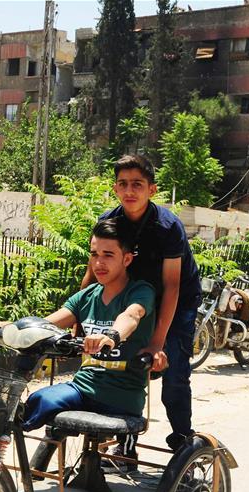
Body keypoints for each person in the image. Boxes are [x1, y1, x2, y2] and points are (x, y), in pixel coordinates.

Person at [0, 219, 155, 439]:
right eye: (94, 254)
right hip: (81, 389)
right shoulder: (87, 296)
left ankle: (122, 451)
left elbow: (132, 315)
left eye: (108, 255)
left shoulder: (140, 291)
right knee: (37, 402)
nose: (99, 263)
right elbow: (44, 325)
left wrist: (111, 335)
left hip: (121, 397)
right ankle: (2, 462)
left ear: (127, 259)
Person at [87, 154, 202, 455]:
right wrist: (81, 316)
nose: (129, 191)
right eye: (123, 184)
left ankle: (183, 442)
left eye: (137, 184)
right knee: (125, 366)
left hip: (177, 301)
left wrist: (157, 343)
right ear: (115, 188)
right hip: (136, 299)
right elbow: (95, 268)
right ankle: (127, 445)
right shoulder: (109, 221)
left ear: (151, 190)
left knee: (173, 371)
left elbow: (172, 286)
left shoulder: (167, 227)